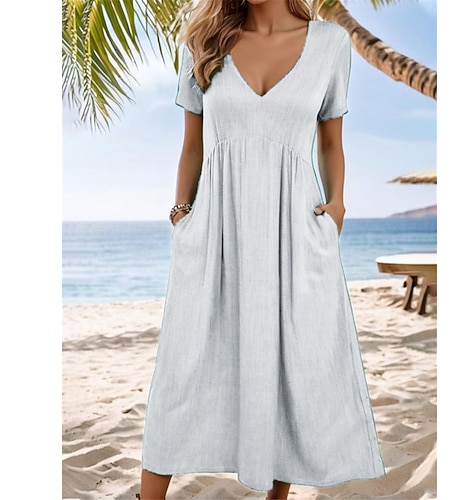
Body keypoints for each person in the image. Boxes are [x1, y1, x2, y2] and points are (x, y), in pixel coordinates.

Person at [137, 0, 386, 498]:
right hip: (214, 231)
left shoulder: (331, 44)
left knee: (289, 361)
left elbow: (330, 141)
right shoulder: (203, 41)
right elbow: (192, 145)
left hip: (296, 229)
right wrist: (183, 213)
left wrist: (337, 206)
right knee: (183, 369)